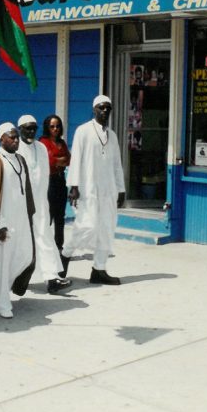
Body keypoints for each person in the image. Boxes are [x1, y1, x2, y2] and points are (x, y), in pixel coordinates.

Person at [62, 95, 125, 285]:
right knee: (86, 225)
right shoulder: (83, 131)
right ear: (94, 110)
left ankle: (99, 269)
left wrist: (121, 189)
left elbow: (117, 165)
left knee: (106, 228)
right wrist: (73, 186)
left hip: (108, 190)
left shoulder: (112, 136)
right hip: (88, 188)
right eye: (101, 108)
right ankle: (64, 256)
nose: (104, 111)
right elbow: (76, 160)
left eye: (107, 108)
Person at [0, 123, 36, 319]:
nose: (16, 140)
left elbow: (25, 190)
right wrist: (0, 224)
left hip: (21, 220)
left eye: (17, 136)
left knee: (25, 256)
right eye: (12, 137)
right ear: (1, 139)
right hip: (4, 223)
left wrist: (29, 215)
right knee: (2, 262)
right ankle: (2, 303)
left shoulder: (20, 159)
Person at [16, 115, 70, 294]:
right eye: (27, 128)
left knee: (45, 237)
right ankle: (8, 279)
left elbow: (46, 173)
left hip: (40, 202)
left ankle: (51, 278)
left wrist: (44, 201)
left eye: (33, 128)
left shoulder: (40, 147)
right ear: (20, 129)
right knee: (19, 242)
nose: (31, 131)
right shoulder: (16, 149)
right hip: (20, 204)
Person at [39, 114, 71, 278]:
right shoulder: (43, 142)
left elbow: (68, 159)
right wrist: (60, 160)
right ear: (47, 127)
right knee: (48, 216)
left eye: (57, 126)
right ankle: (44, 249)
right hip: (49, 182)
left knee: (60, 217)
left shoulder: (62, 142)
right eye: (52, 126)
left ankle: (59, 247)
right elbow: (50, 162)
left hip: (61, 181)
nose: (55, 129)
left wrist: (60, 160)